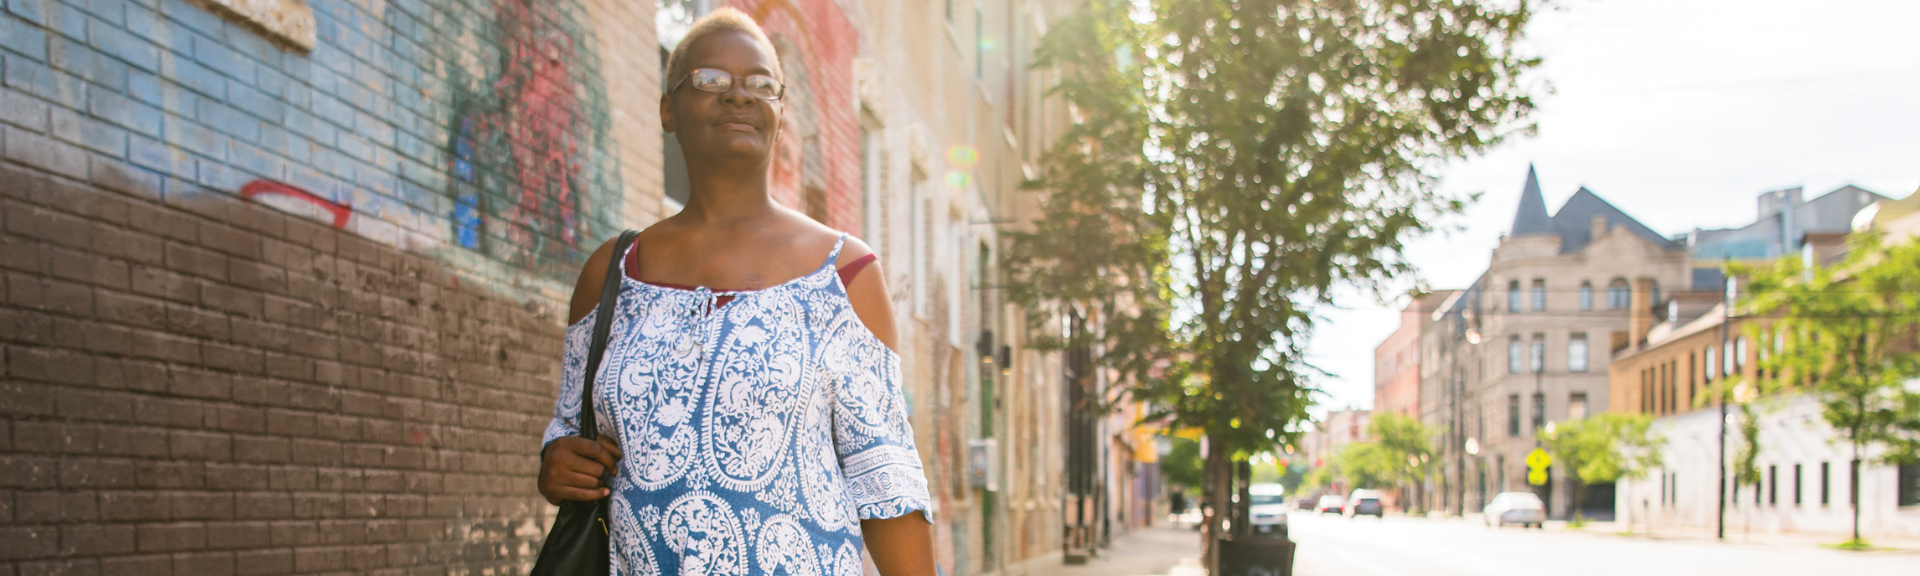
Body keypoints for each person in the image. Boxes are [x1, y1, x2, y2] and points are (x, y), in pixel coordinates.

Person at [535, 8, 934, 576]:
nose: (738, 96)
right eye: (711, 81)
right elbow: (568, 438)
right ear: (668, 108)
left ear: (779, 110)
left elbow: (887, 484)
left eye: (760, 84)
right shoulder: (611, 275)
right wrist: (555, 465)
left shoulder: (843, 275)